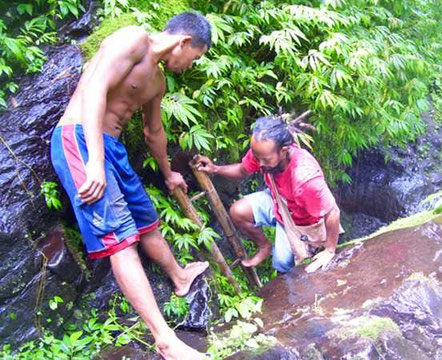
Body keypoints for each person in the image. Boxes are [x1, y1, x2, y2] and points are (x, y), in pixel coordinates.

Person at [50, 13, 212, 360]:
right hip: (80, 139)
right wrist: (94, 160)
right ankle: (165, 340)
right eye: (195, 57)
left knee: (146, 219)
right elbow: (95, 89)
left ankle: (180, 278)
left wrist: (169, 173)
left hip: (113, 148)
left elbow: (154, 132)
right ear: (184, 41)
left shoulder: (158, 81)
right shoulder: (133, 39)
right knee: (121, 241)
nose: (189, 66)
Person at [195, 115, 341, 274]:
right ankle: (264, 246)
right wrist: (215, 169)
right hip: (278, 200)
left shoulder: (305, 179)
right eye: (258, 158)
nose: (260, 164)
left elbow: (332, 211)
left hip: (303, 220)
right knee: (238, 211)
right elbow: (243, 170)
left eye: (265, 159)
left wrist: (329, 250)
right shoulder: (262, 152)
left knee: (281, 263)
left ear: (284, 151)